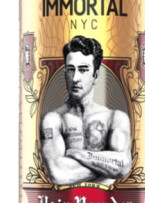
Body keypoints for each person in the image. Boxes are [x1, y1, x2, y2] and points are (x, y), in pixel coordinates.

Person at [40, 35, 132, 186]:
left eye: (83, 70)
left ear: (96, 75)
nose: (75, 78)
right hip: (66, 199)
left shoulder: (116, 118)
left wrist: (76, 154)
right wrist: (109, 167)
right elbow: (57, 174)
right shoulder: (53, 120)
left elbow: (124, 164)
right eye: (71, 70)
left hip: (107, 199)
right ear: (65, 73)